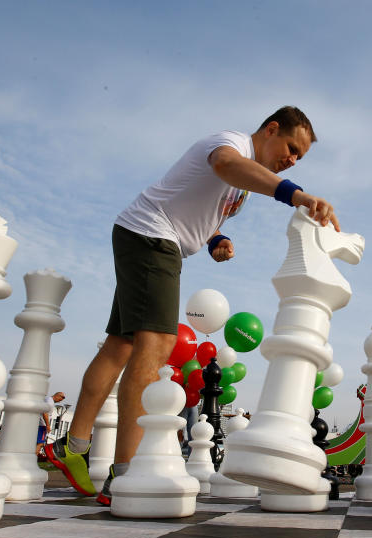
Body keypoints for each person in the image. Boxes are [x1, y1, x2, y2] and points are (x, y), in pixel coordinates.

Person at [46, 106, 339, 505]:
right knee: (158, 346)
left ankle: (73, 447)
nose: (292, 160)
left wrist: (215, 239)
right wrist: (295, 193)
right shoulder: (231, 144)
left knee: (121, 345)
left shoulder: (242, 181)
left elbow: (203, 205)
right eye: (291, 148)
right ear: (271, 129)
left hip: (143, 233)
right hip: (152, 237)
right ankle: (128, 475)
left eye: (299, 158)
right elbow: (224, 164)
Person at [37, 391, 66, 458]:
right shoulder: (50, 402)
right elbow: (45, 413)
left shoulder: (48, 400)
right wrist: (48, 425)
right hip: (42, 425)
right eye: (59, 400)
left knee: (37, 442)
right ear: (57, 396)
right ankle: (33, 458)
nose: (59, 402)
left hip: (40, 423)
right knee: (40, 443)